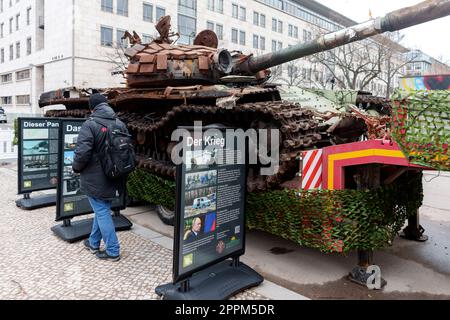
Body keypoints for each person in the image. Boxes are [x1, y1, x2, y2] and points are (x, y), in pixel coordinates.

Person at [72, 93, 129, 262]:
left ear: (92, 108)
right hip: (115, 175)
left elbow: (82, 153)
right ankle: (93, 242)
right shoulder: (119, 123)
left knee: (102, 211)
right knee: (101, 209)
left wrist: (76, 167)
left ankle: (113, 250)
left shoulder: (90, 124)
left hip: (95, 178)